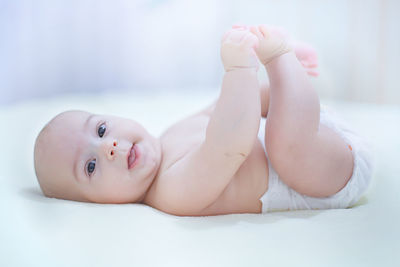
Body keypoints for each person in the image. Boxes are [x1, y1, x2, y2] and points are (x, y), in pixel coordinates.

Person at [33, 25, 373, 216]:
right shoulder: (171, 194)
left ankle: (286, 72)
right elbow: (229, 145)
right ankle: (281, 59)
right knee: (285, 148)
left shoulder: (167, 138)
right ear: (94, 207)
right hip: (325, 181)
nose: (108, 147)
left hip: (316, 139)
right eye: (90, 167)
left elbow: (218, 110)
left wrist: (271, 90)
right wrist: (239, 70)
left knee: (279, 133)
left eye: (101, 129)